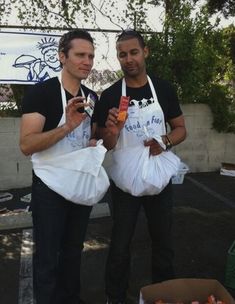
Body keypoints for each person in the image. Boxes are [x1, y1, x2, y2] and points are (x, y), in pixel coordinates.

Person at [94, 30, 187, 304]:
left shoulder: (164, 89)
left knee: (163, 242)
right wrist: (112, 128)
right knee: (121, 245)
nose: (128, 59)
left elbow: (181, 128)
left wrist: (166, 140)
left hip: (159, 178)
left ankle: (163, 294)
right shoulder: (111, 96)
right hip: (125, 182)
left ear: (145, 52)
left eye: (133, 52)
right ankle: (115, 296)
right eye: (122, 54)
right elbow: (107, 144)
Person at [19, 29, 97, 304]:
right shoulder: (42, 92)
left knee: (74, 251)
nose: (87, 61)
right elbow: (27, 144)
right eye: (80, 55)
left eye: (90, 56)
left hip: (78, 185)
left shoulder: (91, 97)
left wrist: (105, 136)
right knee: (48, 255)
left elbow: (89, 140)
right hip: (49, 188)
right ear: (62, 56)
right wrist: (66, 127)